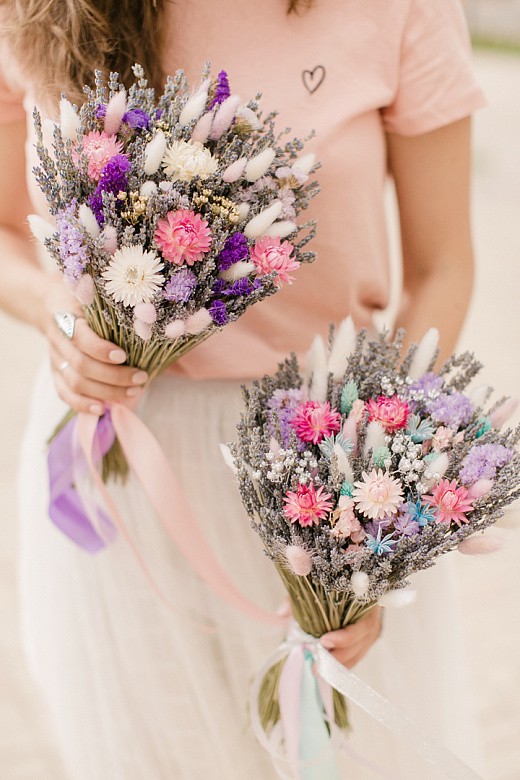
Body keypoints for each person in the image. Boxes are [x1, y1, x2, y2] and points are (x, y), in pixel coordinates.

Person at [0, 1, 485, 777]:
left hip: (321, 467)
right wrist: (60, 317)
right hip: (116, 463)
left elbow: (441, 266)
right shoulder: (35, 12)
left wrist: (374, 487)